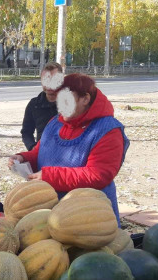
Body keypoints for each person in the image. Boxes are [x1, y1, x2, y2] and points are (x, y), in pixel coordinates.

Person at [8, 73, 129, 223]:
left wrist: (50, 177)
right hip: (52, 214)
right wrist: (23, 158)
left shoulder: (108, 130)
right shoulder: (55, 122)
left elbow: (98, 175)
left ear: (85, 98)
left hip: (89, 217)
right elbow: (40, 153)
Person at [21, 62, 63, 150]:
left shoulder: (72, 103)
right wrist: (32, 147)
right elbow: (26, 132)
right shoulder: (34, 104)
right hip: (42, 155)